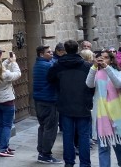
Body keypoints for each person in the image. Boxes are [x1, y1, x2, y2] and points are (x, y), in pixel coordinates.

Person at [86, 49, 121, 167]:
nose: (103, 60)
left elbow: (118, 84)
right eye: (101, 58)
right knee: (103, 147)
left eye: (106, 57)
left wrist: (107, 69)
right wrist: (93, 67)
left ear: (111, 60)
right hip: (102, 114)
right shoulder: (97, 73)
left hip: (116, 115)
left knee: (118, 146)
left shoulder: (119, 73)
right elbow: (89, 84)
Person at [48, 39, 94, 167]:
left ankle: (69, 162)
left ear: (66, 50)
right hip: (83, 104)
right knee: (84, 135)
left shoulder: (58, 65)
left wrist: (60, 86)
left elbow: (50, 79)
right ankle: (85, 164)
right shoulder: (86, 66)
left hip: (65, 103)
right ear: (77, 49)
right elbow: (92, 85)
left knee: (67, 135)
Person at [0, 50, 21, 157]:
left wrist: (7, 61)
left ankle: (3, 145)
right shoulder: (5, 74)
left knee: (0, 124)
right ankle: (3, 148)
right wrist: (14, 62)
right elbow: (18, 74)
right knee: (7, 125)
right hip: (7, 102)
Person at [32, 45, 60, 164]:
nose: (52, 54)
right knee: (50, 128)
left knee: (42, 126)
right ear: (41, 54)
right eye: (49, 52)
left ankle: (41, 152)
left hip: (39, 100)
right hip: (49, 101)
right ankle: (46, 154)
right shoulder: (48, 66)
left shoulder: (38, 64)